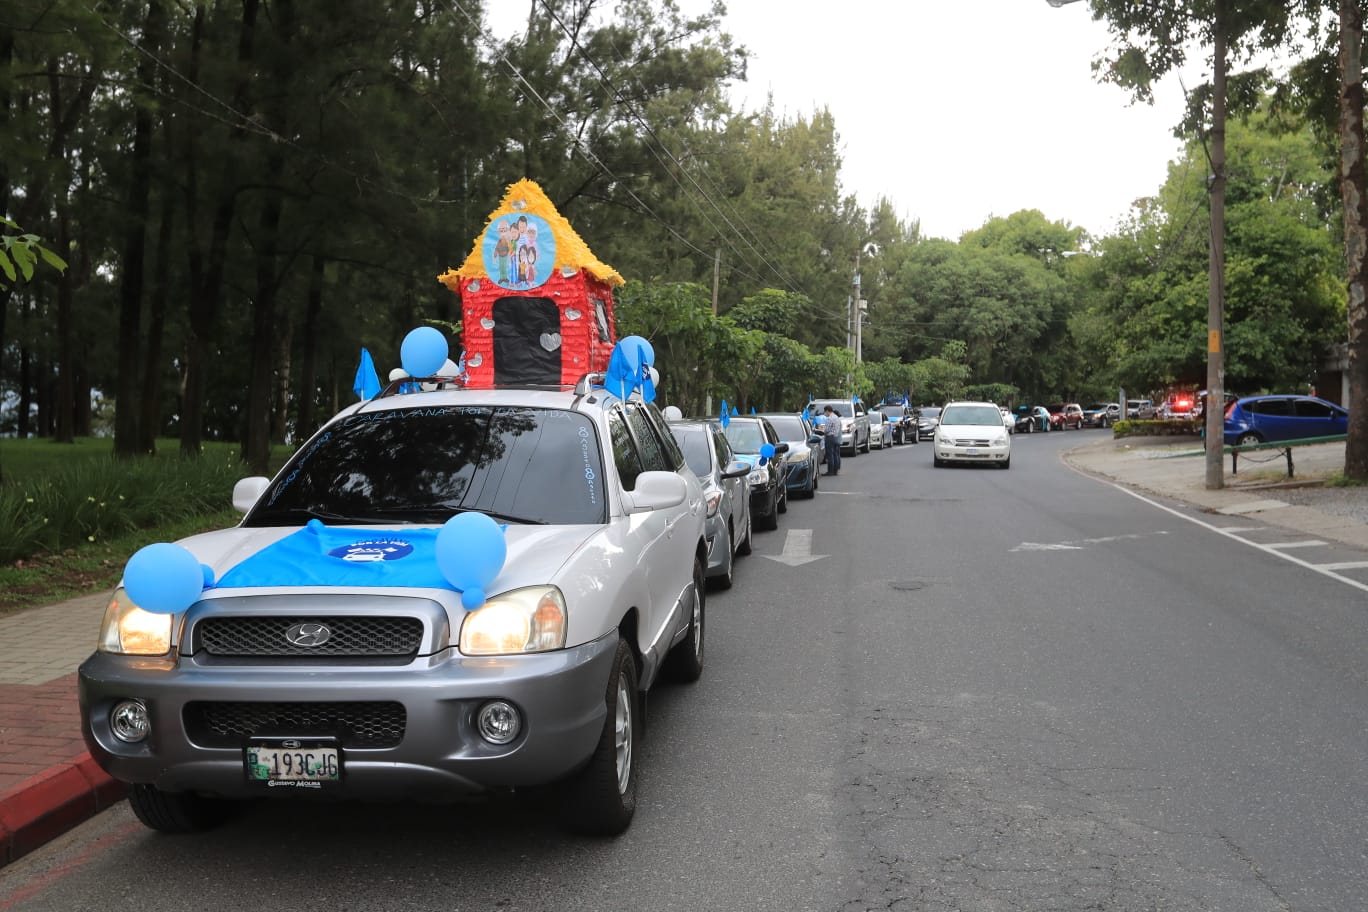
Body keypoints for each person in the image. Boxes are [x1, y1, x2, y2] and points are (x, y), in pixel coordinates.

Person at [821, 405, 841, 475]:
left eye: (825, 412)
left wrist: (821, 430)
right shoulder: (836, 417)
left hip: (830, 437)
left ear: (827, 411)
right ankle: (835, 470)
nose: (824, 414)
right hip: (836, 437)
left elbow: (826, 430)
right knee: (835, 454)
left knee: (830, 455)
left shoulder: (830, 418)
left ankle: (830, 471)